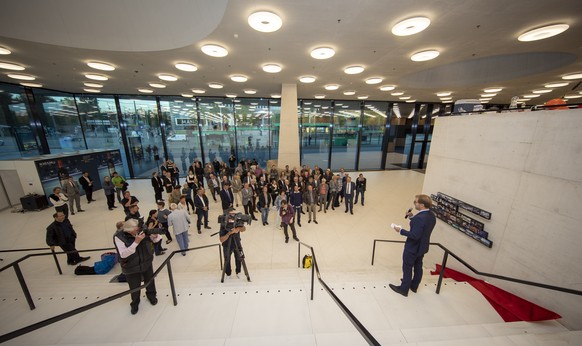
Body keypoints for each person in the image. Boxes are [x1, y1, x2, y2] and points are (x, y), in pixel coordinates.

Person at [389, 194, 437, 297]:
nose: (414, 204)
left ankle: (404, 288)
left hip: (413, 248)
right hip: (422, 247)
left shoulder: (420, 218)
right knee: (418, 266)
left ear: (422, 205)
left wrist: (400, 230)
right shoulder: (431, 215)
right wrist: (412, 217)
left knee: (407, 267)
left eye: (416, 202)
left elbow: (415, 235)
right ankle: (414, 286)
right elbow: (422, 227)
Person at [114, 219, 162, 314]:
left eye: (138, 228)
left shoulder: (141, 231)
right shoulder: (119, 237)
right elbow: (123, 254)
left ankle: (152, 296)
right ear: (128, 230)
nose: (138, 231)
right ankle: (135, 303)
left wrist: (155, 237)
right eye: (135, 230)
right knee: (134, 286)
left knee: (150, 281)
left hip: (146, 262)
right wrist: (136, 242)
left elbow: (154, 240)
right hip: (131, 266)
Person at [219, 210, 246, 278]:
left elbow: (244, 229)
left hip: (237, 243)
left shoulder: (237, 221)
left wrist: (238, 228)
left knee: (239, 258)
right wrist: (229, 233)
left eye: (234, 214)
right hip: (227, 245)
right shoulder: (223, 225)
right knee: (227, 259)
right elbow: (221, 239)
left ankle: (238, 272)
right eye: (231, 215)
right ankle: (228, 273)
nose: (232, 217)